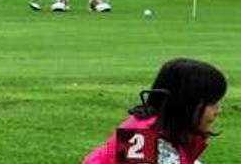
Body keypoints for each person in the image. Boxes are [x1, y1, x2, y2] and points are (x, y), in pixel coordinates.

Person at [83, 58, 226, 164]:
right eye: (212, 103)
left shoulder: (175, 131)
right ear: (186, 103)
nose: (219, 109)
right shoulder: (140, 136)